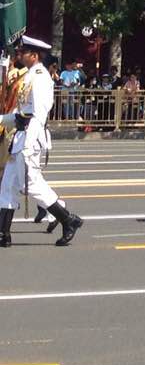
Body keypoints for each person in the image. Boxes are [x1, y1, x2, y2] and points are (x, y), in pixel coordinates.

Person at [1, 37, 84, 247]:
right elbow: (21, 114)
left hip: (30, 138)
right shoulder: (29, 76)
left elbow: (38, 115)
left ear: (34, 55)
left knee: (31, 185)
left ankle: (67, 219)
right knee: (8, 186)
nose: (19, 55)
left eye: (23, 52)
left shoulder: (40, 78)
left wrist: (28, 144)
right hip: (20, 137)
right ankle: (3, 234)